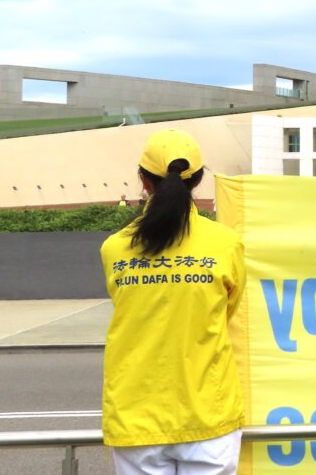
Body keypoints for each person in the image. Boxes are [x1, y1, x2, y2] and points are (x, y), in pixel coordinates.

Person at [100, 129, 245, 474]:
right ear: (197, 180)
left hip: (136, 416)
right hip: (209, 412)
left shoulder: (115, 247)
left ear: (143, 180)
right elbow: (228, 311)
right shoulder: (225, 243)